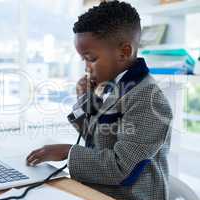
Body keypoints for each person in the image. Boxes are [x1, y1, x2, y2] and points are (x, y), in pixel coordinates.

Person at [26, 1, 173, 199]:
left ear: (124, 52)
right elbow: (93, 137)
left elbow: (122, 169)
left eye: (91, 58)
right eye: (83, 59)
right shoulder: (112, 85)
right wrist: (84, 99)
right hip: (95, 191)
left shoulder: (148, 99)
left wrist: (67, 152)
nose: (86, 67)